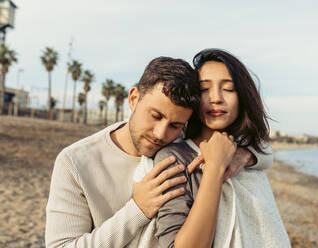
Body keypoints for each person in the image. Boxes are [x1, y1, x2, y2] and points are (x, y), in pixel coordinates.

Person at [45, 56, 272, 247]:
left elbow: (263, 151)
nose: (161, 134)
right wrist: (138, 209)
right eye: (155, 116)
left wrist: (243, 156)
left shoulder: (180, 146)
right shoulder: (75, 162)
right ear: (134, 99)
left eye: (175, 125)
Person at [154, 49, 291, 247]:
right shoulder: (175, 158)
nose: (215, 98)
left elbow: (265, 151)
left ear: (243, 97)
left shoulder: (247, 150)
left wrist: (244, 155)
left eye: (228, 89)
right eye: (203, 89)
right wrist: (216, 167)